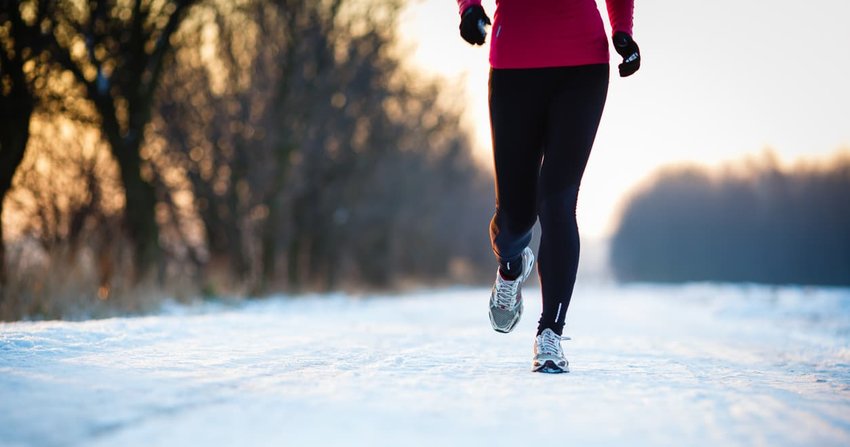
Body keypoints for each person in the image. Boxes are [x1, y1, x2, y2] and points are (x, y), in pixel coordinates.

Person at [456, 0, 640, 373]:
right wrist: (469, 8)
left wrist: (623, 30)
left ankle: (550, 333)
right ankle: (511, 265)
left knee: (556, 201)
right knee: (515, 217)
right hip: (514, 67)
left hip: (582, 65)